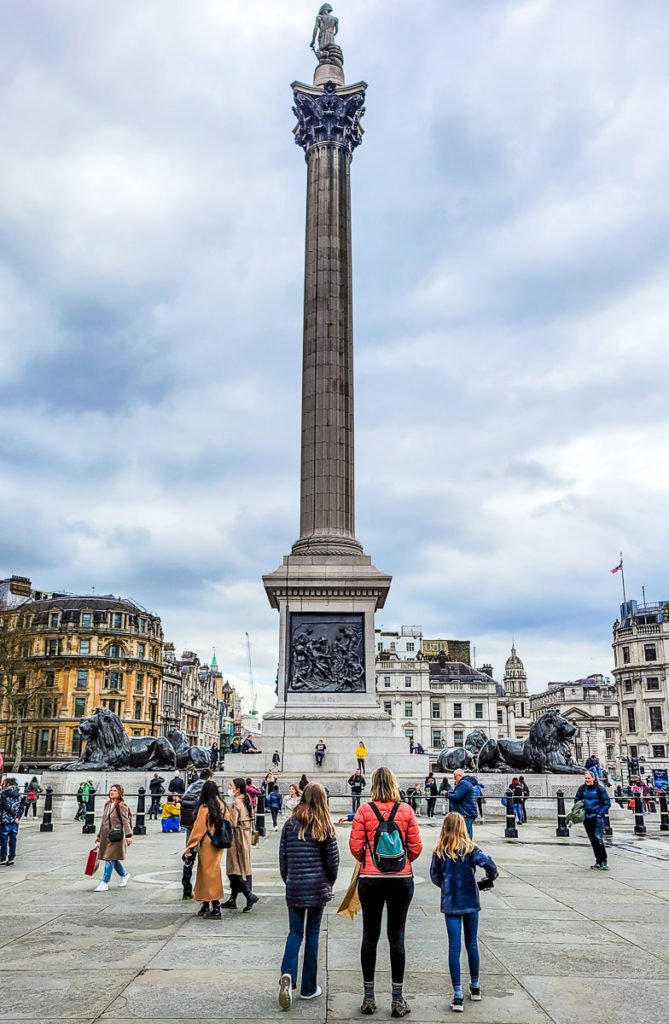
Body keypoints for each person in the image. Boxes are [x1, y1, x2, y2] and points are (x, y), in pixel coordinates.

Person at [349, 767, 422, 1018]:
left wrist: (370, 861)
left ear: (372, 785)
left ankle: (369, 998)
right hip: (401, 879)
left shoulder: (363, 811)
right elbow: (416, 847)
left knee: (370, 936)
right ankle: (397, 999)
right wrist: (402, 862)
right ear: (394, 783)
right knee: (397, 937)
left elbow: (355, 847)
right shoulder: (406, 810)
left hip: (370, 878)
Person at [278, 783, 339, 1009]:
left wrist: (290, 881)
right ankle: (308, 988)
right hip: (317, 889)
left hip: (295, 887)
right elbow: (332, 862)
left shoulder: (289, 824)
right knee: (312, 935)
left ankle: (287, 974)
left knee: (295, 933)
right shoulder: (325, 825)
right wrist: (328, 883)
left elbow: (283, 860)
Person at [430, 812, 498, 1012]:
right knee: (472, 944)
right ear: (462, 828)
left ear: (445, 828)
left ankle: (458, 994)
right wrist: (487, 879)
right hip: (470, 900)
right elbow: (491, 866)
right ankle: (475, 986)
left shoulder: (440, 851)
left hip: (451, 902)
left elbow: (434, 876)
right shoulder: (471, 849)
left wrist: (445, 886)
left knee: (454, 947)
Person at [184, 780, 230, 918]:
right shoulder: (222, 805)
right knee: (207, 872)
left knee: (209, 874)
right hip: (218, 842)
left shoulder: (205, 808)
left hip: (207, 843)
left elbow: (198, 830)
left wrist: (189, 847)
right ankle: (205, 902)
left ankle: (215, 907)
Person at [222, 778, 259, 911]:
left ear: (237, 789)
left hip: (236, 837)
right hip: (246, 835)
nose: (230, 788)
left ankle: (248, 895)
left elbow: (232, 822)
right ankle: (234, 898)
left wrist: (225, 816)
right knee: (245, 866)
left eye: (231, 786)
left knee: (234, 869)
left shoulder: (235, 803)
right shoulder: (247, 800)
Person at [179, 768, 214, 900]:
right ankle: (205, 890)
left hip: (190, 827)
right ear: (209, 777)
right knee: (206, 860)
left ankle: (186, 889)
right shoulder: (207, 787)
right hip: (204, 829)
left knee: (189, 858)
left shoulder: (192, 786)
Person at [94, 784, 133, 891]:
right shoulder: (107, 804)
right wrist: (99, 835)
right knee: (112, 858)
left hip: (116, 836)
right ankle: (124, 874)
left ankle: (105, 882)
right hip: (106, 836)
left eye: (114, 790)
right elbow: (103, 822)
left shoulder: (121, 805)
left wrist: (129, 835)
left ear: (119, 793)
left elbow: (125, 821)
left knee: (109, 858)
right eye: (111, 790)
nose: (112, 792)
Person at [574, 769, 611, 870]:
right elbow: (577, 801)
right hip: (587, 817)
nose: (587, 780)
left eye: (588, 778)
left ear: (593, 778)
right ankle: (598, 861)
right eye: (586, 778)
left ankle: (604, 860)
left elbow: (607, 803)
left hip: (597, 817)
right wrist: (581, 810)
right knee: (593, 840)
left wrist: (600, 813)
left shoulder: (600, 789)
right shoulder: (582, 789)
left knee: (598, 838)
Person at [0, 777, 25, 866]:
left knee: (4, 839)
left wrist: (12, 814)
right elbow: (22, 808)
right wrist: (17, 817)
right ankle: (11, 858)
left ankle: (3, 858)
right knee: (13, 839)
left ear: (8, 784)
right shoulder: (19, 795)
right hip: (15, 821)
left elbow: (4, 806)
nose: (2, 785)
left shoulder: (4, 794)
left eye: (4, 783)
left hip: (6, 819)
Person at [447, 770, 477, 839]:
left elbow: (457, 796)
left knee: (465, 836)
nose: (455, 779)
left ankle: (467, 849)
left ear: (459, 775)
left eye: (455, 777)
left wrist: (447, 794)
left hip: (465, 813)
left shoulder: (464, 783)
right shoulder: (468, 782)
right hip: (468, 812)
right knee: (466, 835)